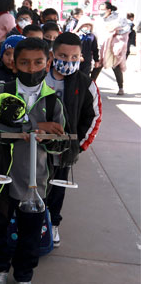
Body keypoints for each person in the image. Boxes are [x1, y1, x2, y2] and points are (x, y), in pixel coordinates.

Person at [0, 37, 67, 284]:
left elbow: (59, 145)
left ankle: (24, 275)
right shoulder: (3, 91)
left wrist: (49, 138)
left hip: (35, 180)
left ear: (48, 63)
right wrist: (33, 128)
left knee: (30, 232)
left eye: (38, 62)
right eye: (25, 63)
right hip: (2, 175)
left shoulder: (53, 101)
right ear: (14, 65)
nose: (32, 68)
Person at [45, 32, 102, 247]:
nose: (68, 61)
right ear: (52, 55)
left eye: (74, 57)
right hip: (35, 146)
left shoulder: (86, 84)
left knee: (57, 188)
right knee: (32, 184)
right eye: (63, 56)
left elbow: (93, 117)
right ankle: (31, 221)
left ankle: (52, 223)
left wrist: (78, 145)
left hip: (64, 150)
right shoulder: (39, 76)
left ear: (81, 57)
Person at [92, 2, 129, 95]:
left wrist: (115, 31)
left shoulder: (119, 18)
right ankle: (90, 86)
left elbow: (127, 29)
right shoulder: (98, 19)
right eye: (99, 9)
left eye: (102, 10)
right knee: (97, 66)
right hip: (101, 47)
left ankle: (121, 87)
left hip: (112, 47)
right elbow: (95, 32)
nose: (100, 12)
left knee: (116, 67)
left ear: (109, 10)